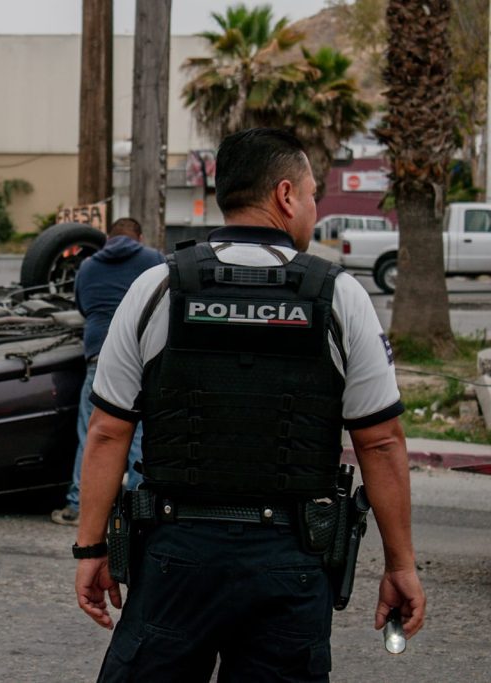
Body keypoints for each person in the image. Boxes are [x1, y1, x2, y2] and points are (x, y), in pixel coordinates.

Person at [72, 128, 425, 681]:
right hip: (289, 563)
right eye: (313, 195)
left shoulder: (157, 288)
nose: (313, 208)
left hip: (175, 559)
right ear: (285, 196)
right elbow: (379, 441)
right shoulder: (340, 297)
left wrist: (90, 548)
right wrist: (401, 564)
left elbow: (107, 432)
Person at [51, 218, 164, 526]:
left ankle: (76, 505)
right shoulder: (153, 259)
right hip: (139, 355)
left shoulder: (87, 266)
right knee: (139, 432)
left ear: (107, 239)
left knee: (92, 433)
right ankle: (136, 505)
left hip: (99, 353)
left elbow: (83, 307)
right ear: (138, 237)